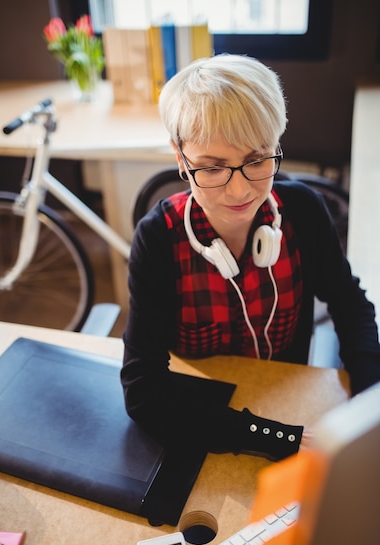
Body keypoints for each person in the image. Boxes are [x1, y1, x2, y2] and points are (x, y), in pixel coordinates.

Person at [120, 54, 380, 461]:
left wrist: (370, 406)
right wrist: (274, 436)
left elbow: (349, 303)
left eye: (257, 160)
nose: (240, 191)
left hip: (289, 396)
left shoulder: (305, 213)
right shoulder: (157, 240)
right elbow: (143, 394)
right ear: (180, 159)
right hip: (203, 418)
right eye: (212, 167)